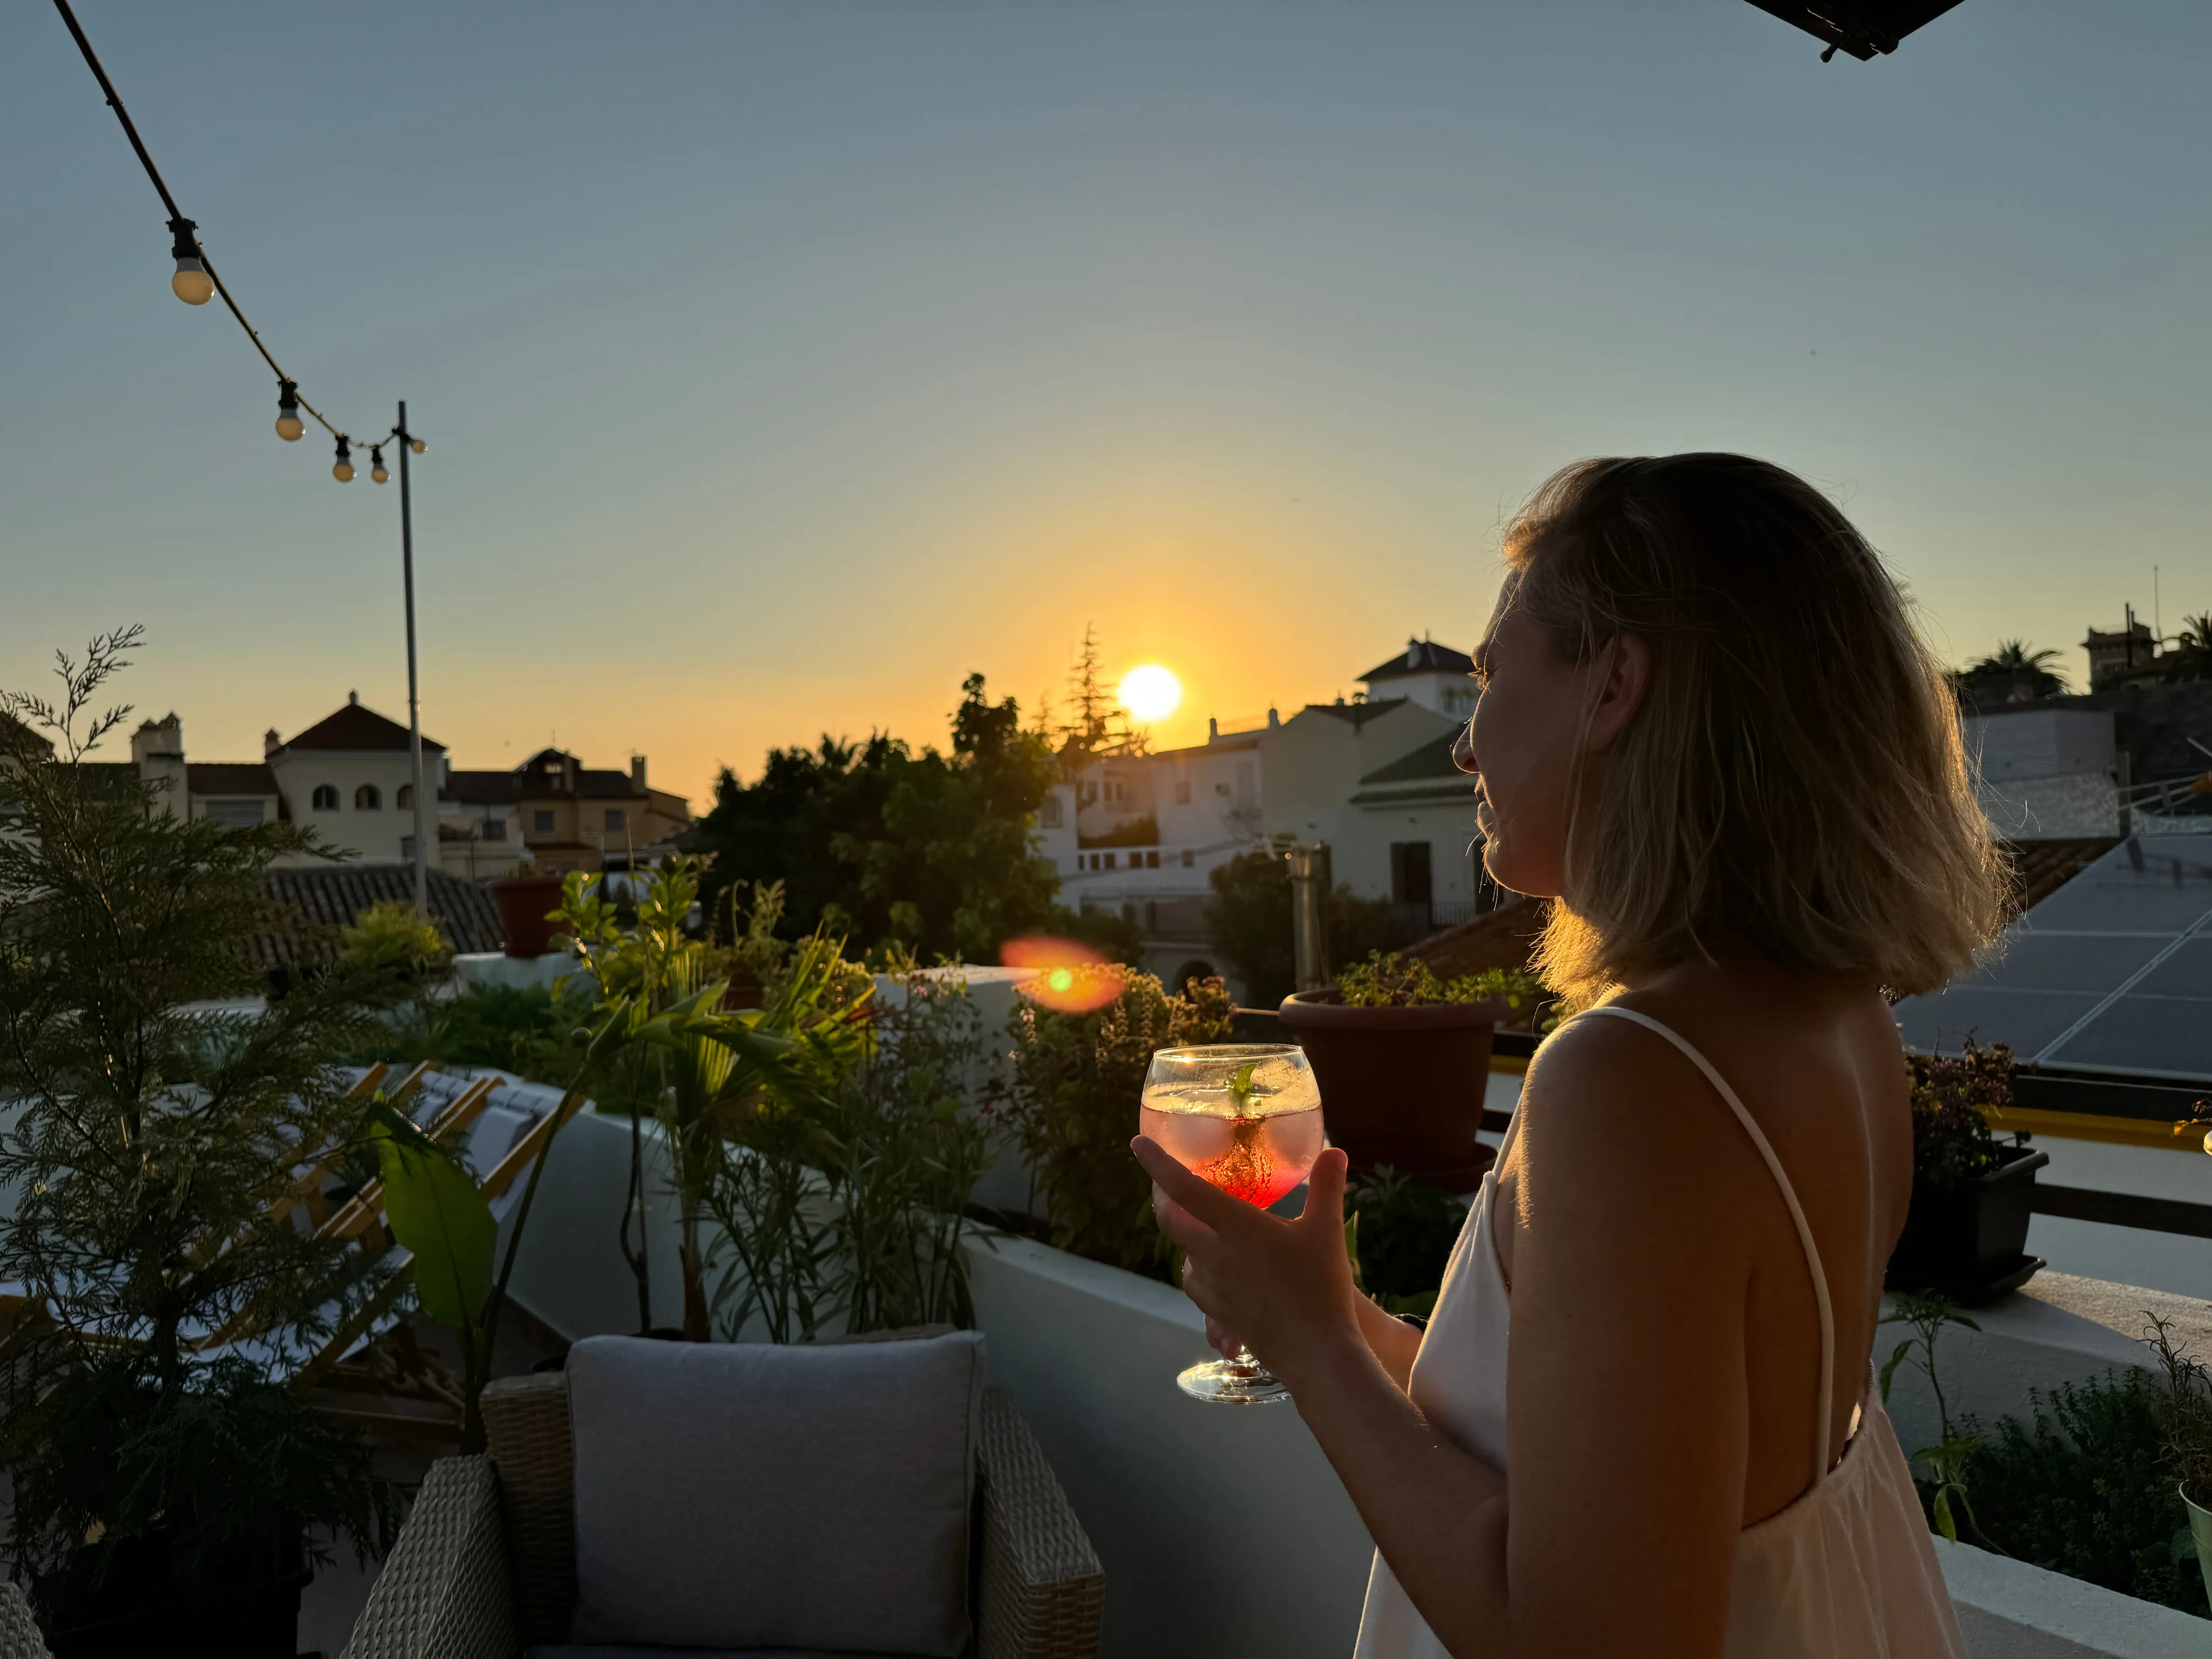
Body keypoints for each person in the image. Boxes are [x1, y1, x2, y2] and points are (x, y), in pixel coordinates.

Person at [1134, 454, 2001, 1658]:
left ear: (1612, 689)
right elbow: (1608, 1453)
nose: (1464, 746)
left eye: (1490, 674)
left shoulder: (1634, 1079)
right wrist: (1326, 1311)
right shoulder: (1833, 1020)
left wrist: (1311, 1348)